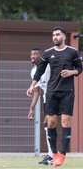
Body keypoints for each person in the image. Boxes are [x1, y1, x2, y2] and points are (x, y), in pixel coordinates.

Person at [27, 27, 82, 167]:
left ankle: (62, 154)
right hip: (51, 92)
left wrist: (71, 72)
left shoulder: (72, 52)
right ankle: (55, 153)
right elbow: (39, 72)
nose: (55, 37)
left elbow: (80, 68)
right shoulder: (48, 53)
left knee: (65, 122)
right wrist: (32, 85)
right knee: (51, 123)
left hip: (67, 92)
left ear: (63, 36)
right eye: (53, 35)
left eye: (57, 34)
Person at [26, 48, 53, 165]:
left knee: (50, 124)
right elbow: (36, 92)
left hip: (55, 97)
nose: (33, 56)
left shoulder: (48, 67)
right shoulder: (33, 72)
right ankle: (51, 154)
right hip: (47, 99)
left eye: (36, 54)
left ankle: (52, 155)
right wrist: (31, 109)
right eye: (31, 54)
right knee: (48, 125)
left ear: (41, 56)